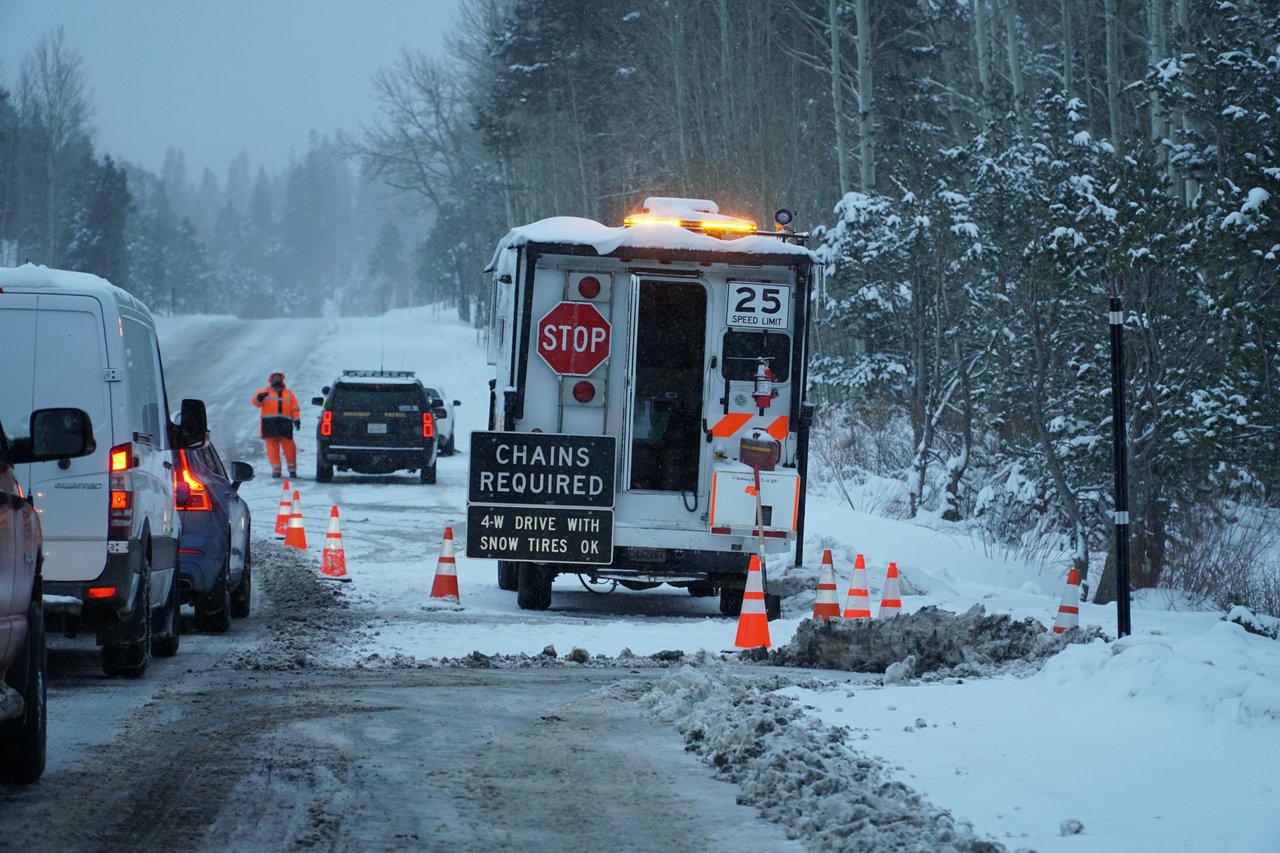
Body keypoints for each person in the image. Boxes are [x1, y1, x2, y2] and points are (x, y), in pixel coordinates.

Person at [251, 370, 301, 478]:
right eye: (275, 377)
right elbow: (255, 402)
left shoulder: (289, 394)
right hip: (270, 425)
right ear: (271, 379)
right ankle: (276, 470)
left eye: (279, 377)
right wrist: (259, 398)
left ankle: (292, 470)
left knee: (290, 448)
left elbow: (294, 408)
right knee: (272, 449)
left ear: (282, 379)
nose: (277, 379)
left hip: (285, 424)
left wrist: (296, 419)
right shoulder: (264, 392)